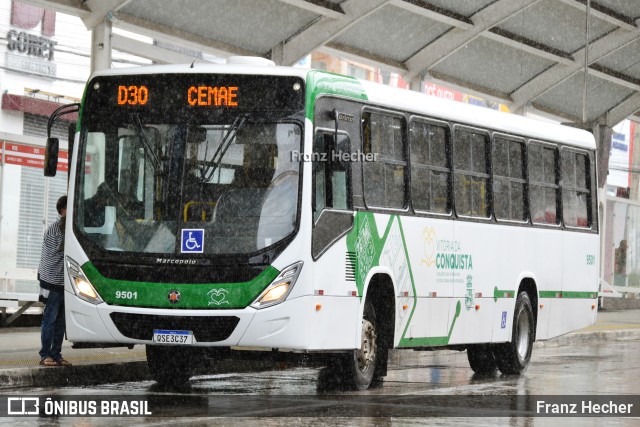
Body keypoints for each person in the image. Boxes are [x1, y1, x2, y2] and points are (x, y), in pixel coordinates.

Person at [38, 195, 72, 367]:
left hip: (64, 283)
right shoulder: (57, 228)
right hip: (53, 281)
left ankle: (56, 354)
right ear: (62, 211)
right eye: (70, 207)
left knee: (61, 321)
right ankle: (45, 355)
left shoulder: (66, 227)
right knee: (50, 319)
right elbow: (62, 251)